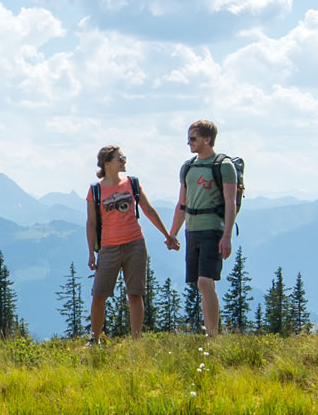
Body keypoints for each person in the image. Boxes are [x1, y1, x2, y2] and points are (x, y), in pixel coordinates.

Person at [86, 145, 178, 342]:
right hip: (108, 247)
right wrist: (91, 253)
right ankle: (95, 340)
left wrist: (168, 235)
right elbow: (91, 223)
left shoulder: (133, 183)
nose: (124, 160)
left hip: (135, 244)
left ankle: (136, 341)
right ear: (107, 163)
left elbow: (148, 210)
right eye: (120, 158)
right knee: (99, 295)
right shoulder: (95, 190)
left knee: (135, 294)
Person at [167, 120, 237, 337]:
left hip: (213, 230)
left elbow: (230, 202)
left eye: (193, 138)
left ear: (207, 139)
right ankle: (212, 332)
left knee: (205, 281)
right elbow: (182, 203)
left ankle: (212, 335)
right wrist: (173, 233)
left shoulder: (224, 166)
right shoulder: (188, 167)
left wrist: (227, 236)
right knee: (203, 284)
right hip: (192, 230)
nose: (189, 142)